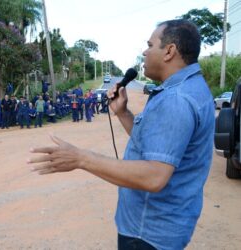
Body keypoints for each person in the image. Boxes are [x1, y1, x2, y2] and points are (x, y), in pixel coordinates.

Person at [28, 20, 215, 250]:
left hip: (148, 234)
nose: (144, 52)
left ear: (169, 51)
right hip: (161, 227)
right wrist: (123, 113)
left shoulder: (176, 99)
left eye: (149, 45)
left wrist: (80, 158)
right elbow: (154, 147)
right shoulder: (191, 87)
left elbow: (154, 177)